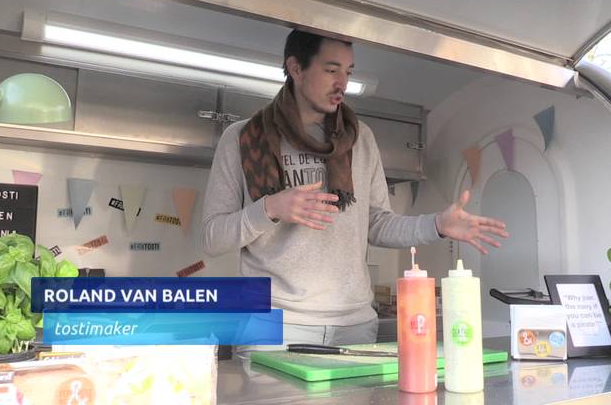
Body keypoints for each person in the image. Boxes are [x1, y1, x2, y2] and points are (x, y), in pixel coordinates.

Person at [201, 29, 508, 350]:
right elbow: (212, 237)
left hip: (354, 326)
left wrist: (436, 225)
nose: (342, 84)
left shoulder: (360, 139)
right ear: (295, 68)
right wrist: (270, 209)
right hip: (272, 323)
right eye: (331, 70)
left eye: (348, 72)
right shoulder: (242, 138)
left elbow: (376, 223)